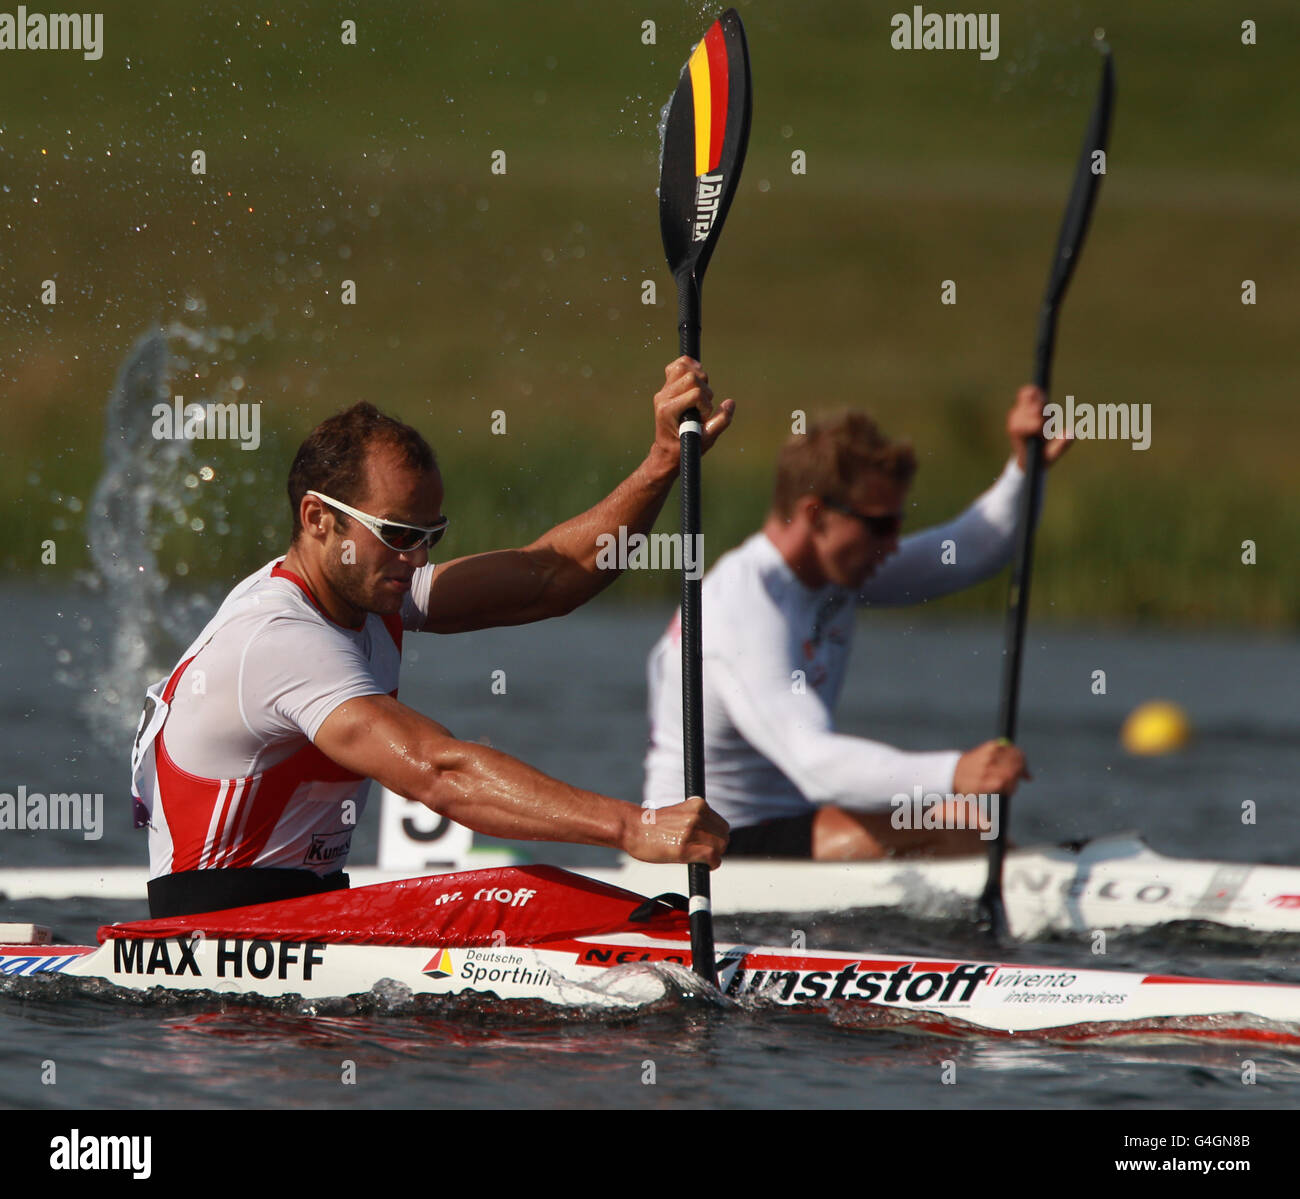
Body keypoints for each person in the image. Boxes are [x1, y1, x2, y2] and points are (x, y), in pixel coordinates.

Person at [132, 358, 732, 917]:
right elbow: (438, 773)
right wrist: (633, 827)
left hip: (303, 915)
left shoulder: (368, 589)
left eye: (429, 534)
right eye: (397, 534)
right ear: (318, 519)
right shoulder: (279, 637)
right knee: (510, 901)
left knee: (523, 896)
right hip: (210, 937)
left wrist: (660, 465)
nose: (416, 558)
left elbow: (550, 578)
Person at [642, 386, 1070, 860]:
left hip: (784, 826)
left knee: (957, 819)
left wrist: (1024, 470)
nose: (892, 546)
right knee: (957, 831)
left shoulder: (833, 573)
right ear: (816, 516)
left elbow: (968, 552)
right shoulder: (741, 605)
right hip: (704, 847)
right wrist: (955, 772)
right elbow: (813, 762)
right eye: (880, 526)